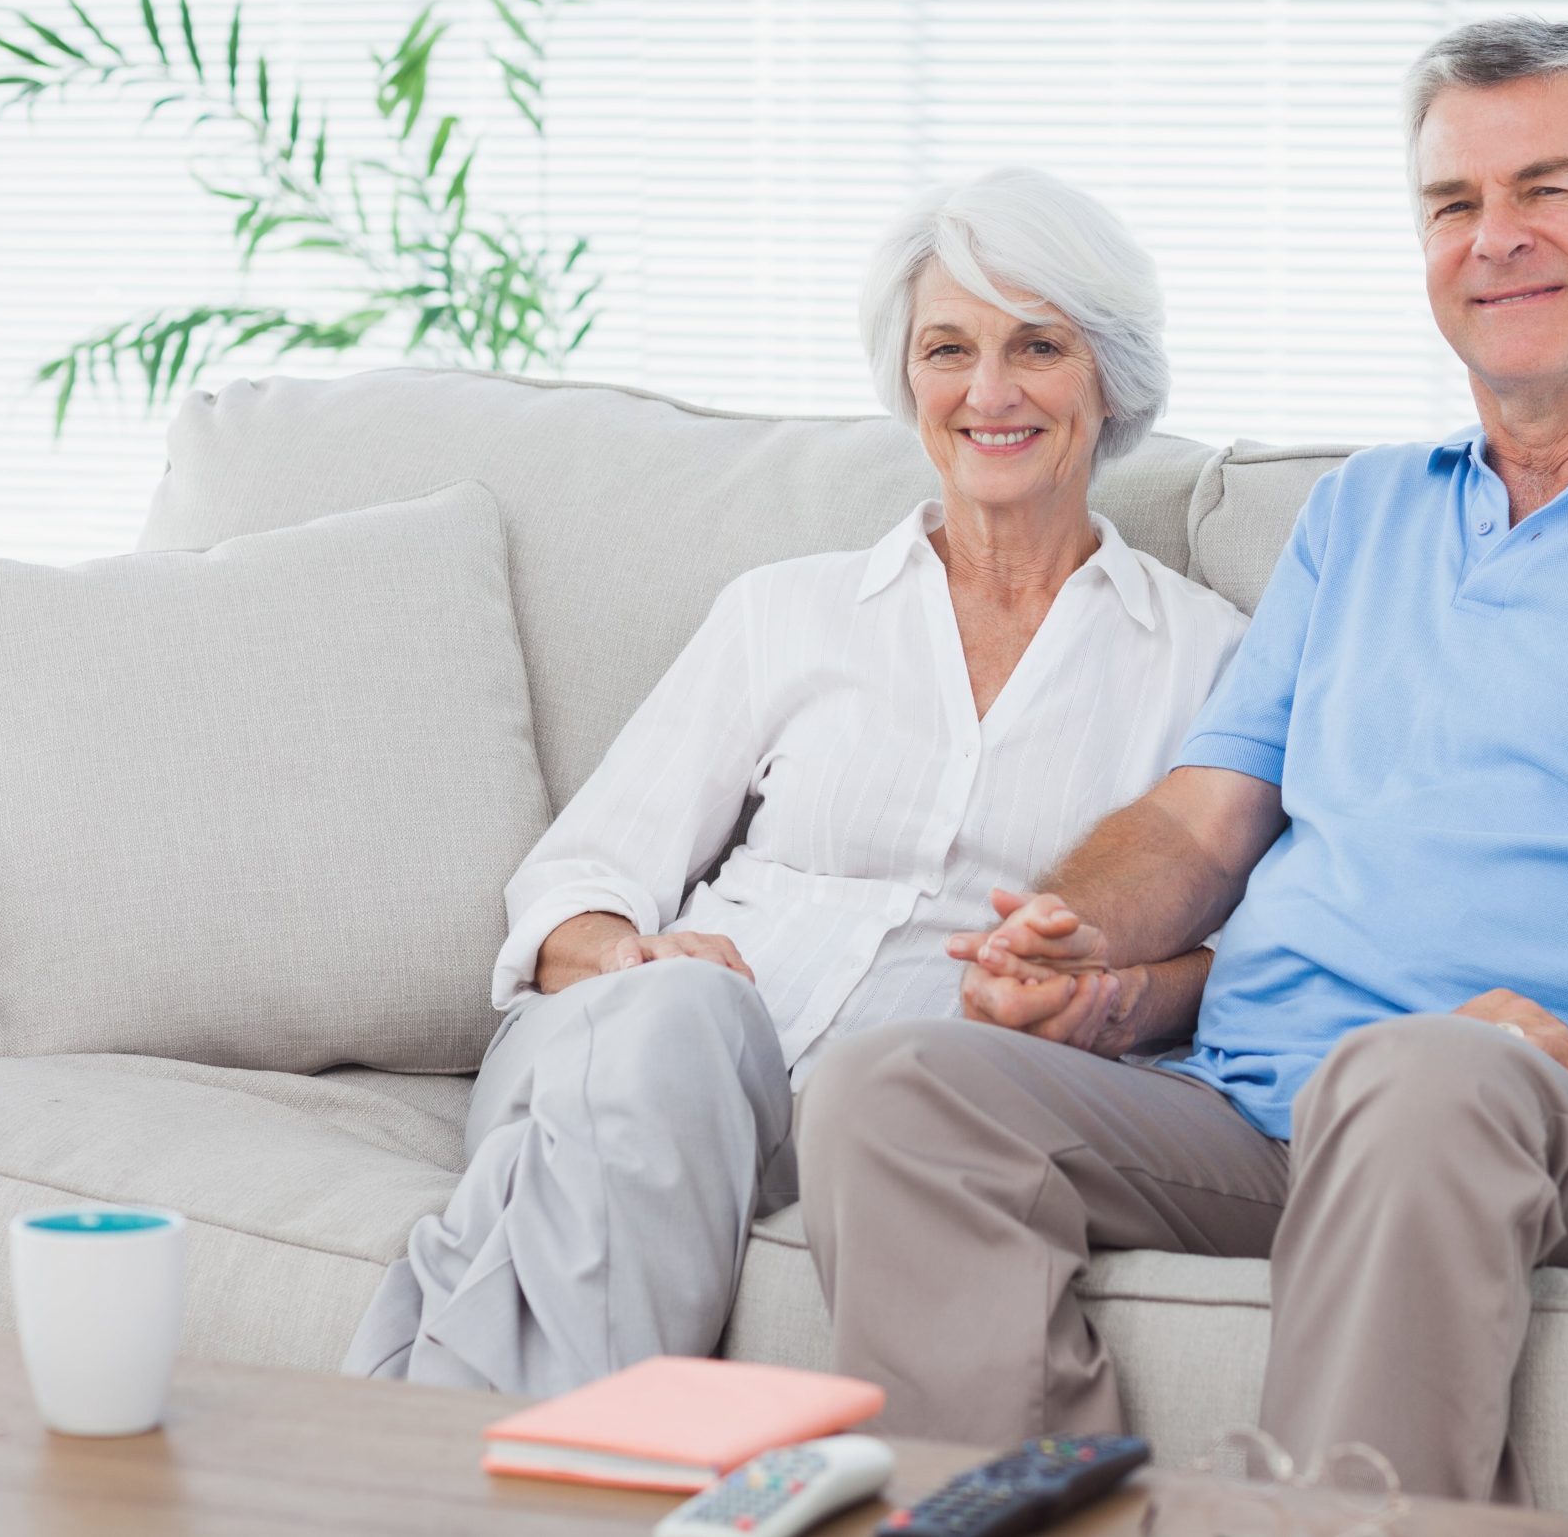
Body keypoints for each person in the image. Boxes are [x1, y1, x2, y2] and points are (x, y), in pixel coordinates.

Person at [792, 19, 1568, 1503]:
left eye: (1544, 190)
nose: (1493, 239)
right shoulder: (1363, 514)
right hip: (1248, 1107)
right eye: (1453, 205)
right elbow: (1203, 816)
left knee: (1429, 1069)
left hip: (1545, 1127)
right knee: (896, 1080)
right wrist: (1072, 933)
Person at [343, 165, 1248, 1398]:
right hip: (646, 1058)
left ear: (1111, 375)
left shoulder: (1203, 658)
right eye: (948, 348)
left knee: (601, 1162)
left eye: (1036, 346)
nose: (988, 392)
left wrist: (1101, 998)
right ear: (907, 375)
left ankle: (443, 1448)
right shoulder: (789, 612)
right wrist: (627, 961)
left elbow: (1241, 960)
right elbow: (581, 874)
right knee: (682, 1016)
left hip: (900, 1117)